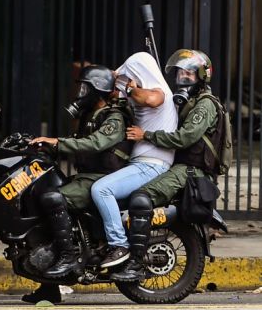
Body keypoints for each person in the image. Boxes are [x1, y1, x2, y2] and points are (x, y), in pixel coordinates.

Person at [23, 65, 132, 304]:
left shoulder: (113, 117)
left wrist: (58, 142)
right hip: (87, 176)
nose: (81, 92)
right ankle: (49, 287)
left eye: (85, 87)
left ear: (98, 90)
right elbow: (79, 140)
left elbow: (95, 143)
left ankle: (69, 257)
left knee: (53, 198)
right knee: (39, 196)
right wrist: (46, 145)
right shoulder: (90, 115)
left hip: (102, 177)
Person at [112, 49, 223, 282]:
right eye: (180, 73)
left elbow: (185, 138)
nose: (183, 77)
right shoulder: (187, 103)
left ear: (201, 77)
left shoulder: (205, 105)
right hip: (179, 166)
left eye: (189, 74)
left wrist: (147, 136)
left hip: (191, 171)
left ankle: (136, 263)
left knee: (142, 197)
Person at [89, 52, 178, 268]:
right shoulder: (140, 96)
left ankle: (119, 245)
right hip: (142, 163)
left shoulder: (159, 93)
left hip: (151, 165)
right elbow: (114, 96)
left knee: (101, 190)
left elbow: (151, 98)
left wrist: (127, 84)